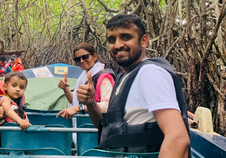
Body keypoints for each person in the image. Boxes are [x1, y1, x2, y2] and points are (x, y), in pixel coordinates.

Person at [77, 14, 190, 156]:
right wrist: (91, 103)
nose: (117, 45)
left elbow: (178, 138)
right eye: (112, 40)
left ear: (143, 41)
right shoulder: (124, 77)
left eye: (125, 37)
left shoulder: (150, 74)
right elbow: (107, 125)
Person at [57, 43, 115, 119]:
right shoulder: (83, 77)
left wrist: (79, 108)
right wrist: (65, 88)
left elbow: (107, 105)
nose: (81, 61)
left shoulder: (104, 77)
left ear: (94, 56)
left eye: (85, 57)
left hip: (97, 126)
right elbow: (73, 100)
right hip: (83, 124)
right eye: (77, 59)